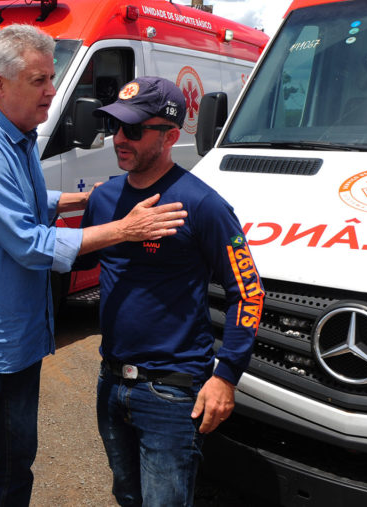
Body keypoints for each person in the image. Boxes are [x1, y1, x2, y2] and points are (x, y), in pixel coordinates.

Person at [0, 25, 188, 506]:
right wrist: (123, 229)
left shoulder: (17, 139)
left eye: (52, 77)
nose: (52, 91)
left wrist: (81, 198)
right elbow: (29, 244)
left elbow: (27, 200)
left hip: (17, 340)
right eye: (38, 80)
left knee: (15, 465)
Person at [75, 76, 265, 506]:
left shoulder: (202, 204)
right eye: (115, 127)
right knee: (127, 495)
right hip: (112, 380)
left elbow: (248, 292)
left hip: (172, 391)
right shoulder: (104, 199)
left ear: (170, 136)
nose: (119, 139)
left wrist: (226, 376)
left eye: (134, 130)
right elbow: (79, 261)